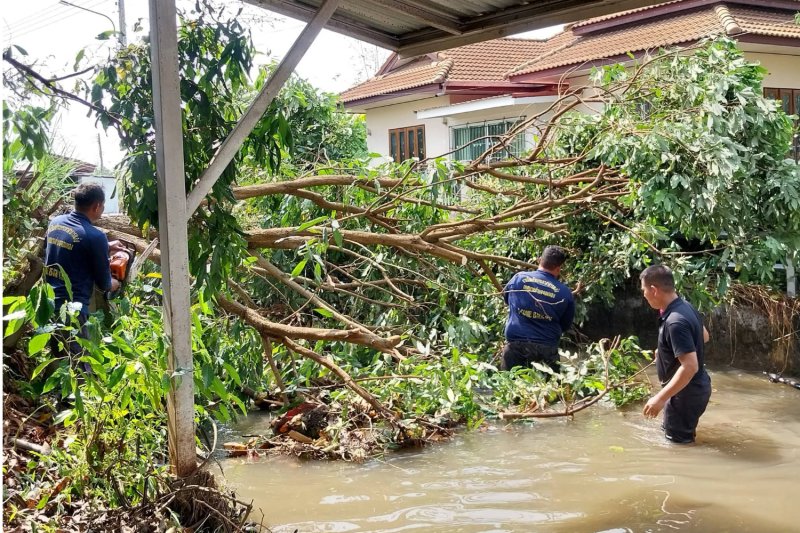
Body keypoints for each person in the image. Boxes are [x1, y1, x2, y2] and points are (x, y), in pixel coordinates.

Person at [44, 182, 121, 360]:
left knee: (59, 361)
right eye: (102, 207)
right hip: (73, 310)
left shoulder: (56, 223)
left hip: (48, 304)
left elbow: (71, 246)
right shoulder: (95, 237)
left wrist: (106, 247)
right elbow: (105, 283)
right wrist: (116, 283)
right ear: (97, 206)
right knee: (78, 367)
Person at [640, 265, 711, 444]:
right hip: (693, 390)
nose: (644, 295)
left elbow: (690, 366)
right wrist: (668, 350)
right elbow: (704, 336)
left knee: (679, 449)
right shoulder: (685, 307)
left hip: (684, 395)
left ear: (654, 290)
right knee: (674, 439)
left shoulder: (675, 321)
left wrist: (660, 398)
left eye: (644, 290)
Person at [502, 245, 575, 373]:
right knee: (548, 392)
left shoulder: (518, 278)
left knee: (509, 390)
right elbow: (565, 325)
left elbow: (507, 300)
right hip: (547, 353)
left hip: (515, 350)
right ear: (559, 268)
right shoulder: (565, 293)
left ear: (540, 260)